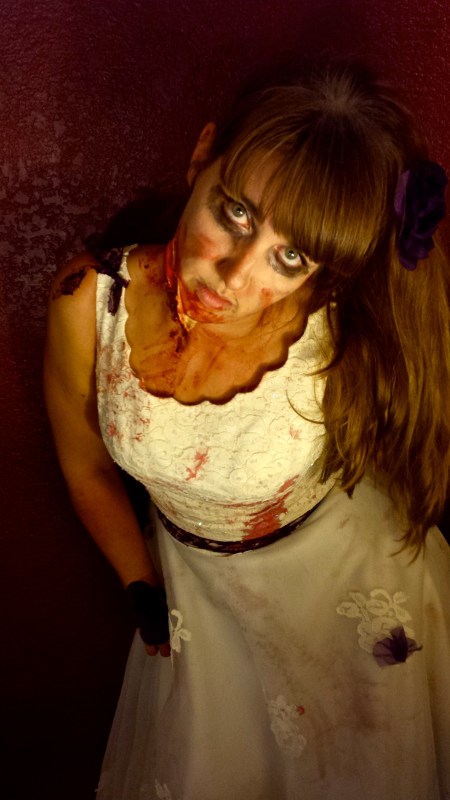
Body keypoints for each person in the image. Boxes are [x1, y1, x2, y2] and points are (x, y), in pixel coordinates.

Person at [44, 63, 450, 800]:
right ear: (202, 156)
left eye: (288, 257)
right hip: (195, 603)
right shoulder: (89, 302)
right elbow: (86, 467)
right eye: (234, 214)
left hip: (347, 594)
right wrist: (141, 584)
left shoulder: (334, 325)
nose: (233, 274)